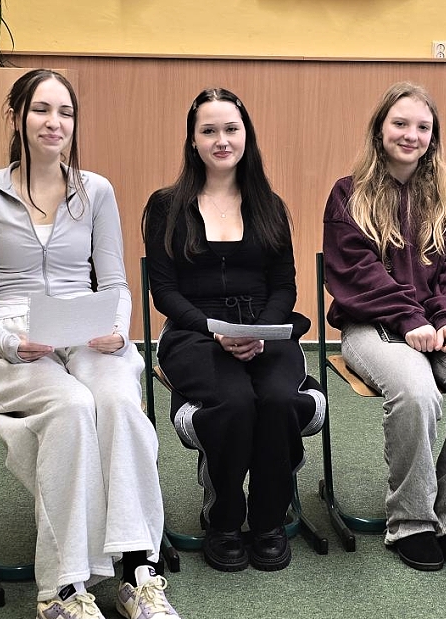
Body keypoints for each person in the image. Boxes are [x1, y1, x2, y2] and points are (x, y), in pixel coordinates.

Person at [0, 69, 179, 619]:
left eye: (66, 112)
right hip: (13, 339)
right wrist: (6, 340)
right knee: (74, 406)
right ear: (16, 117)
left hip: (86, 332)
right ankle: (62, 590)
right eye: (41, 110)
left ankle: (138, 571)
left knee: (118, 402)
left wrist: (119, 329)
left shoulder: (96, 190)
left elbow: (116, 282)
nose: (54, 123)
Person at [322, 82, 446, 572]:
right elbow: (356, 273)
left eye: (422, 127)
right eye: (400, 123)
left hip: (445, 323)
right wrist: (409, 319)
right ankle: (411, 520)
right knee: (416, 392)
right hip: (373, 324)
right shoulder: (348, 194)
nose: (411, 135)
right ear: (379, 129)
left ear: (433, 136)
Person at [142, 87, 326, 573]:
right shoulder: (165, 206)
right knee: (236, 402)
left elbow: (284, 286)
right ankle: (223, 518)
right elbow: (164, 291)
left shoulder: (269, 205)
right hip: (194, 331)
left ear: (246, 135)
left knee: (278, 400)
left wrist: (261, 330)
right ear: (193, 140)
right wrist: (213, 329)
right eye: (209, 131)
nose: (221, 140)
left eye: (231, 129)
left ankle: (268, 518)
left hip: (266, 327)